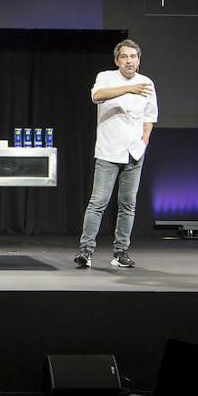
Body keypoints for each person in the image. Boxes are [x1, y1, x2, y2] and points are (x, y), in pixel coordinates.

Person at [74, 40, 157, 269]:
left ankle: (121, 253)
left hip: (134, 153)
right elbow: (97, 96)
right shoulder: (106, 77)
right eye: (124, 56)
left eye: (133, 56)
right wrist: (128, 88)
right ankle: (86, 251)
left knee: (128, 205)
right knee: (98, 202)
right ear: (117, 60)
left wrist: (144, 141)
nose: (129, 60)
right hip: (109, 151)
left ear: (139, 60)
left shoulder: (147, 83)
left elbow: (150, 117)